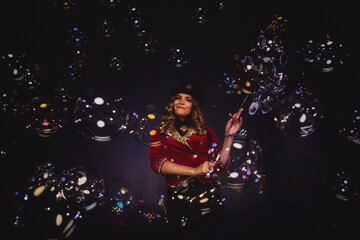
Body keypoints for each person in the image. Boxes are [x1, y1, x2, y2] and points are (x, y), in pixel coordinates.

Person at [149, 76, 243, 239]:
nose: (181, 102)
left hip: (209, 198)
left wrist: (229, 136)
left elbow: (219, 166)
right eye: (178, 97)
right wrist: (194, 170)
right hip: (178, 200)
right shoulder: (160, 132)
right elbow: (157, 163)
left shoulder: (206, 132)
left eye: (188, 99)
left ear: (195, 106)